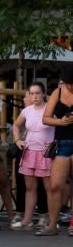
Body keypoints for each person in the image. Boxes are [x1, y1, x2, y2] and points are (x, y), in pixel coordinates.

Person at [11, 82, 54, 231]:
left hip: (46, 153)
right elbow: (16, 126)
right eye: (32, 93)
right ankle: (27, 220)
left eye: (37, 93)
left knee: (49, 188)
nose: (34, 96)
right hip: (29, 151)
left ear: (43, 93)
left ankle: (50, 220)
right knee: (30, 187)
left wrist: (55, 141)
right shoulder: (27, 110)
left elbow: (63, 126)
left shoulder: (51, 109)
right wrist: (17, 140)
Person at [39, 65, 73, 236]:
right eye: (68, 83)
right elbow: (45, 118)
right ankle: (52, 225)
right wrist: (60, 122)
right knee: (55, 186)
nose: (70, 86)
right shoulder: (57, 93)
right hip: (63, 142)